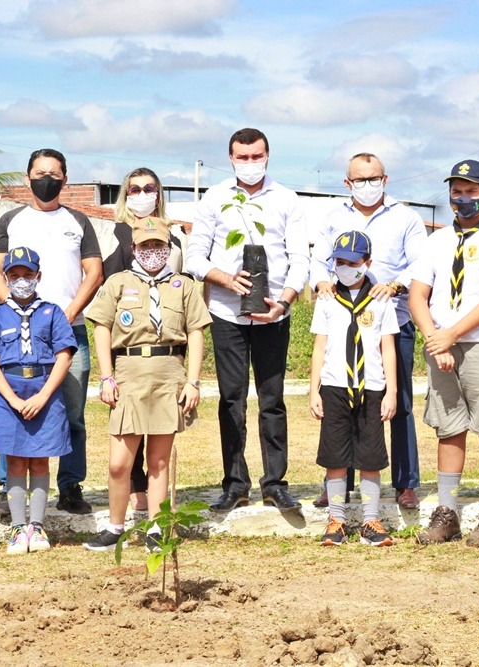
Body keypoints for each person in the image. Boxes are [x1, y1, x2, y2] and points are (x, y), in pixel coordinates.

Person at [185, 128, 309, 513]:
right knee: (230, 401)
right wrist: (224, 277)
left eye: (257, 157)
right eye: (243, 157)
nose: (250, 163)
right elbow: (194, 257)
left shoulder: (287, 199)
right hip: (226, 314)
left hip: (272, 315)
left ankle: (275, 483)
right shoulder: (215, 198)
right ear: (231, 157)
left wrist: (284, 303)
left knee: (272, 401)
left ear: (268, 156)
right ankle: (235, 484)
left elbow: (300, 259)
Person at [0, 148, 103, 515]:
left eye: (54, 174)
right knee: (13, 411)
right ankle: (10, 488)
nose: (46, 179)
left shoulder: (79, 221)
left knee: (71, 413)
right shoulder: (11, 220)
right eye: (39, 173)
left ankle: (70, 485)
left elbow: (94, 272)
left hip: (69, 331)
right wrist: (20, 315)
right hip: (17, 337)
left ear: (65, 180)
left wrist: (65, 315)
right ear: (27, 177)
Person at [409, 160, 479, 547]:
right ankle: (446, 512)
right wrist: (435, 337)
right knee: (448, 425)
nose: (463, 198)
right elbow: (417, 295)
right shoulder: (436, 240)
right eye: (457, 190)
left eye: (472, 191)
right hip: (441, 344)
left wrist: (452, 333)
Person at [83, 217, 211, 551]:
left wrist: (193, 382)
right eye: (145, 246)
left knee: (159, 461)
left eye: (159, 246)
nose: (152, 252)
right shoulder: (117, 283)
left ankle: (156, 529)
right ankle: (115, 527)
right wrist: (106, 376)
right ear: (133, 249)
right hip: (128, 372)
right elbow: (101, 328)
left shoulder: (183, 285)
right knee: (118, 463)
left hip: (169, 372)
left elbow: (196, 332)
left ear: (169, 249)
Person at [309, 152, 427, 510]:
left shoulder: (406, 217)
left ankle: (405, 482)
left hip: (391, 319)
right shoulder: (332, 217)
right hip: (342, 319)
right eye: (359, 180)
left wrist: (395, 285)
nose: (367, 185)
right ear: (348, 183)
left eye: (373, 178)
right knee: (341, 406)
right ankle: (337, 485)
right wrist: (320, 284)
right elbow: (318, 261)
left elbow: (420, 262)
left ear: (385, 179)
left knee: (396, 402)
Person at [0, 247, 76, 554]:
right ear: (5, 278)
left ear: (38, 277)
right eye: (15, 275)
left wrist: (44, 395)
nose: (21, 281)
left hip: (44, 390)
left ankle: (38, 526)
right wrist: (12, 399)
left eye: (27, 275)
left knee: (41, 458)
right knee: (16, 459)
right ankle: (19, 528)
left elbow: (64, 354)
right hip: (9, 393)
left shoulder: (52, 312)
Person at [102, 167, 184, 513]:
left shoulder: (175, 237)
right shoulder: (116, 233)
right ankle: (134, 487)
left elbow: (182, 288)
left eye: (149, 187)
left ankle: (158, 503)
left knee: (162, 433)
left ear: (159, 192)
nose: (141, 194)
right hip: (127, 343)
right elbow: (110, 286)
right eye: (134, 189)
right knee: (128, 427)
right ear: (125, 194)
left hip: (166, 350)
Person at [309, 231, 398, 547]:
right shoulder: (328, 299)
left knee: (371, 458)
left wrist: (392, 392)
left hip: (371, 388)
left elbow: (388, 348)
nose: (344, 267)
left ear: (367, 262)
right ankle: (337, 521)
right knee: (335, 458)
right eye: (339, 262)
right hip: (334, 387)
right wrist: (313, 390)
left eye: (352, 262)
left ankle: (371, 520)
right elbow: (320, 347)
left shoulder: (381, 300)